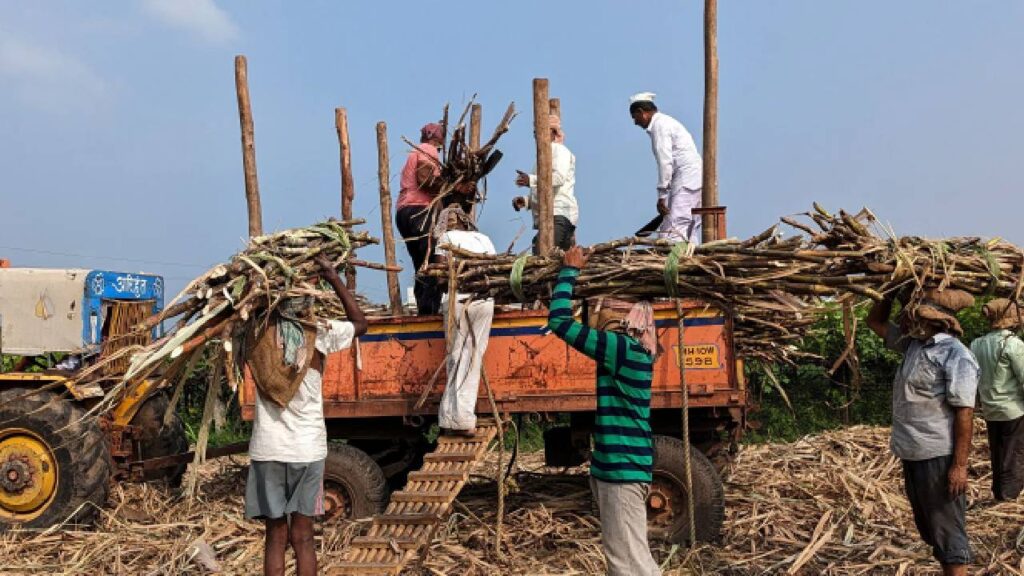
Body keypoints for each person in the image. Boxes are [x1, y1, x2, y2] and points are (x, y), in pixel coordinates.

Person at [245, 256, 368, 576]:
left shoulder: (258, 333)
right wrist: (333, 277)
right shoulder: (319, 333)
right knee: (303, 537)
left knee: (275, 536)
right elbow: (360, 323)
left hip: (268, 451)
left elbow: (242, 312)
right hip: (308, 451)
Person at [547, 245, 661, 576]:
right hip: (621, 469)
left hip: (623, 471)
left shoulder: (621, 348)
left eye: (601, 307)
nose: (596, 315)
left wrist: (569, 271)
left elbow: (559, 322)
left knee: (630, 566)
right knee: (626, 558)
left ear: (622, 315)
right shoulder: (634, 350)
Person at [866, 288, 979, 575]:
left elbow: (965, 412)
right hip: (912, 452)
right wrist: (887, 292)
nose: (905, 320)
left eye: (911, 315)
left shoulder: (956, 355)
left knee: (948, 533)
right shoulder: (914, 346)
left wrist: (960, 466)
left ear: (931, 321)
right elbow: (876, 324)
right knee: (931, 530)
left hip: (938, 455)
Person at [432, 205, 496, 436]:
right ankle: (454, 418)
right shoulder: (484, 239)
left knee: (456, 356)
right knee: (471, 357)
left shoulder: (446, 237)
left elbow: (439, 271)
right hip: (484, 301)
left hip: (457, 300)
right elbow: (494, 268)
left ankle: (457, 418)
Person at [629, 92, 703, 243]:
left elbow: (665, 162)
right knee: (688, 224)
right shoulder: (666, 122)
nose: (635, 122)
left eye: (634, 117)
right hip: (691, 178)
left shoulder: (660, 126)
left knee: (675, 228)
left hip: (685, 178)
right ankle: (689, 258)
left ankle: (676, 263)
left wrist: (662, 196)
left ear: (641, 113)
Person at [970, 298, 1024, 501]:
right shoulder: (1013, 344)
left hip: (990, 409)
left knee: (998, 453)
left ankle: (1000, 494)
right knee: (1015, 454)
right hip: (1013, 409)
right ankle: (1009, 497)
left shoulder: (977, 344)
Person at [396, 123, 445, 315]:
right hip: (419, 210)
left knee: (420, 263)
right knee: (432, 260)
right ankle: (429, 311)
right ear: (437, 138)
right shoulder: (428, 150)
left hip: (404, 211)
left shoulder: (414, 152)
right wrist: (449, 185)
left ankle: (424, 307)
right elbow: (425, 178)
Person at [513, 113, 578, 253]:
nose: (537, 135)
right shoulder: (543, 157)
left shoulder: (559, 150)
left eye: (541, 130)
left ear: (553, 132)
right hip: (551, 217)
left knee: (543, 253)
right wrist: (527, 201)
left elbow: (558, 178)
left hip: (559, 215)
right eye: (535, 132)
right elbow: (546, 192)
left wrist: (531, 180)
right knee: (543, 251)